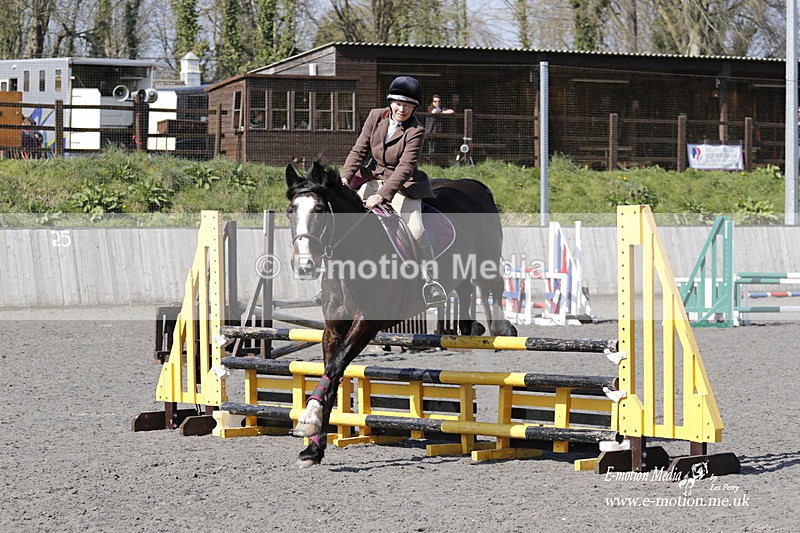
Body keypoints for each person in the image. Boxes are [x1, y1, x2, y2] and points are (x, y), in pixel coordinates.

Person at [340, 75, 447, 306]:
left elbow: (406, 167)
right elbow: (359, 150)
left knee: (416, 229)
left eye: (408, 105)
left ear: (414, 107)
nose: (402, 109)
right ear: (390, 102)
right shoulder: (374, 116)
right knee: (343, 218)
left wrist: (382, 195)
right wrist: (344, 178)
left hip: (402, 186)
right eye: (398, 103)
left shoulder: (416, 130)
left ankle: (430, 281)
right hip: (372, 177)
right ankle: (335, 280)